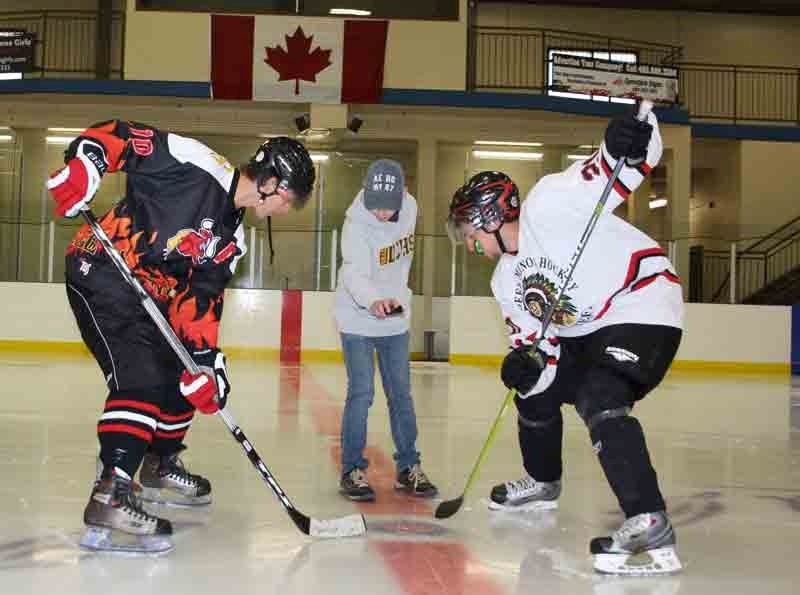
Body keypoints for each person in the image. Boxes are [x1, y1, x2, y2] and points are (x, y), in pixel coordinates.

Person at [46, 120, 315, 553]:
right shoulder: (197, 163)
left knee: (182, 372)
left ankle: (159, 461)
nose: (287, 209)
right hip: (100, 270)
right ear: (270, 182)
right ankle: (110, 494)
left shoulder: (233, 237)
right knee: (142, 379)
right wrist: (87, 165)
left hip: (147, 294)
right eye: (288, 198)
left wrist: (207, 362)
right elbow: (121, 136)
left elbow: (200, 301)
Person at [446, 108, 684, 574]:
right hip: (585, 330)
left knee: (601, 396)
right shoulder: (505, 282)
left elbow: (623, 162)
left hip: (642, 304)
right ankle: (542, 481)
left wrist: (628, 140)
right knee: (532, 388)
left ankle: (649, 518)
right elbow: (543, 349)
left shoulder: (550, 204)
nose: (468, 243)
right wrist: (527, 363)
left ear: (491, 217)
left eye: (469, 231)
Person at [334, 159, 437, 501]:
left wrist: (391, 302)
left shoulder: (410, 208)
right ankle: (352, 469)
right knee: (361, 393)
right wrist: (372, 300)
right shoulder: (355, 224)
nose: (379, 213)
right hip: (357, 318)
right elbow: (352, 272)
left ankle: (409, 467)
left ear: (403, 195)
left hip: (395, 317)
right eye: (374, 205)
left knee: (401, 395)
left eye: (386, 207)